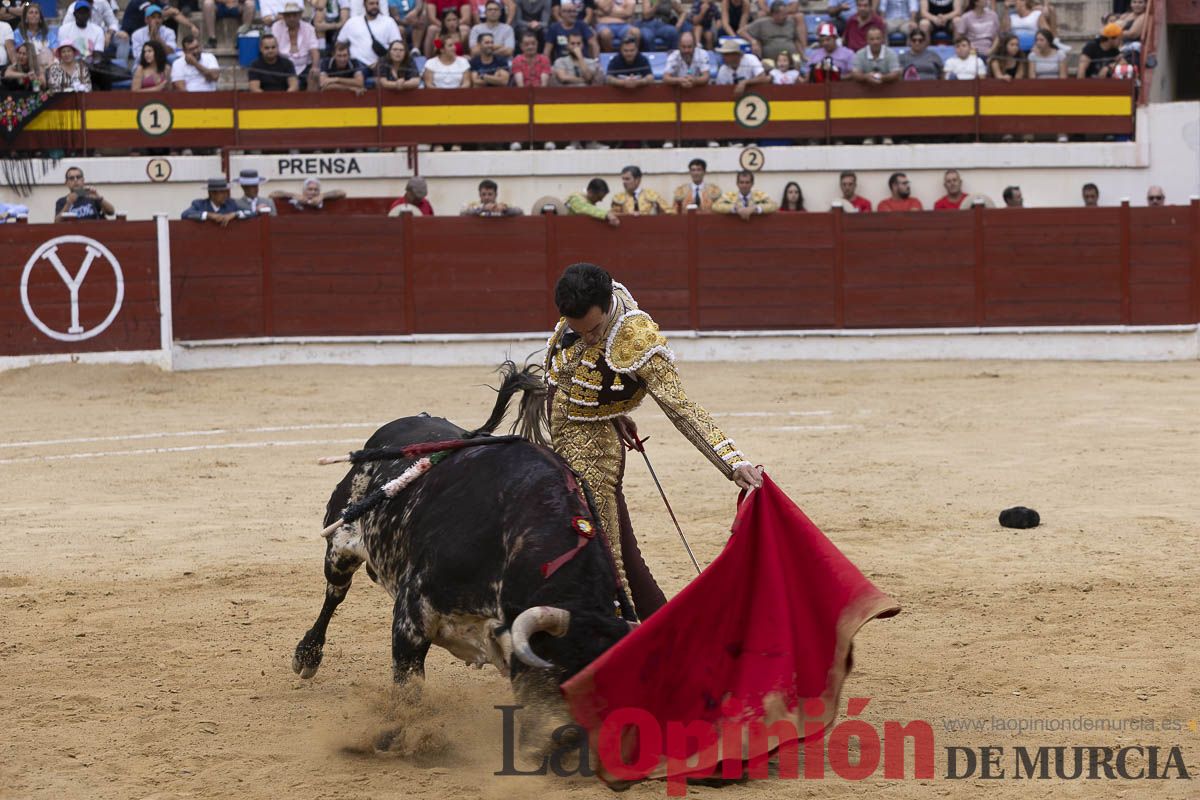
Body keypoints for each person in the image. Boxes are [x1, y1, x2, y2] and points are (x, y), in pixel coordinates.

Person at [543, 263, 763, 615]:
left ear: (606, 309)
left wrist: (732, 462)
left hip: (593, 449)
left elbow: (681, 407)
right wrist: (612, 409)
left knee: (606, 550)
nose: (588, 338)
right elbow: (570, 376)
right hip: (564, 435)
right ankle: (655, 629)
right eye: (577, 329)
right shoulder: (583, 302)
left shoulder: (638, 338)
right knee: (603, 545)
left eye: (595, 329)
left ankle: (638, 635)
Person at [338, 0, 402, 69]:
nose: (375, 6)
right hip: (358, 65)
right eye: (371, 3)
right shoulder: (352, 22)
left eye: (377, 3)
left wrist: (382, 61)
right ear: (364, 5)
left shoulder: (389, 22)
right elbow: (339, 43)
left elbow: (397, 44)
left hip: (382, 64)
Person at [271, 2, 320, 86]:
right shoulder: (276, 27)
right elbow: (273, 48)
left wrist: (315, 66)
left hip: (304, 66)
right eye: (288, 15)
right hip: (283, 66)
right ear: (284, 16)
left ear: (300, 15)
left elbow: (314, 50)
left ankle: (311, 99)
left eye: (294, 15)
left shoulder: (309, 28)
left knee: (314, 75)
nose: (291, 18)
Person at [182, 178, 251, 225]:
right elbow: (185, 215)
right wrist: (209, 215)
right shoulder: (200, 204)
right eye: (222, 192)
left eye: (226, 192)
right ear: (212, 193)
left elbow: (251, 213)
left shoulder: (231, 204)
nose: (225, 195)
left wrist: (234, 214)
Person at [713, 170, 779, 218]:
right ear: (737, 184)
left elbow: (774, 205)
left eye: (747, 182)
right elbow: (715, 206)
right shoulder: (729, 196)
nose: (744, 185)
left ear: (752, 184)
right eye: (741, 182)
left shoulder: (760, 195)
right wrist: (735, 208)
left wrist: (755, 208)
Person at [13, 3, 56, 71]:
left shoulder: (49, 34)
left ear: (40, 17)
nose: (34, 15)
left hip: (48, 68)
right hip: (26, 69)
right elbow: (18, 54)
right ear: (26, 17)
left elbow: (55, 53)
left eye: (36, 13)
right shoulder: (18, 33)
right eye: (31, 12)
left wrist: (49, 66)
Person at [272, 178, 347, 210]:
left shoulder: (322, 198)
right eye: (310, 189)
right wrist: (292, 195)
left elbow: (342, 193)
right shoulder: (295, 199)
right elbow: (272, 194)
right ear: (303, 190)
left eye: (316, 190)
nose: (313, 192)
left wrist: (323, 195)